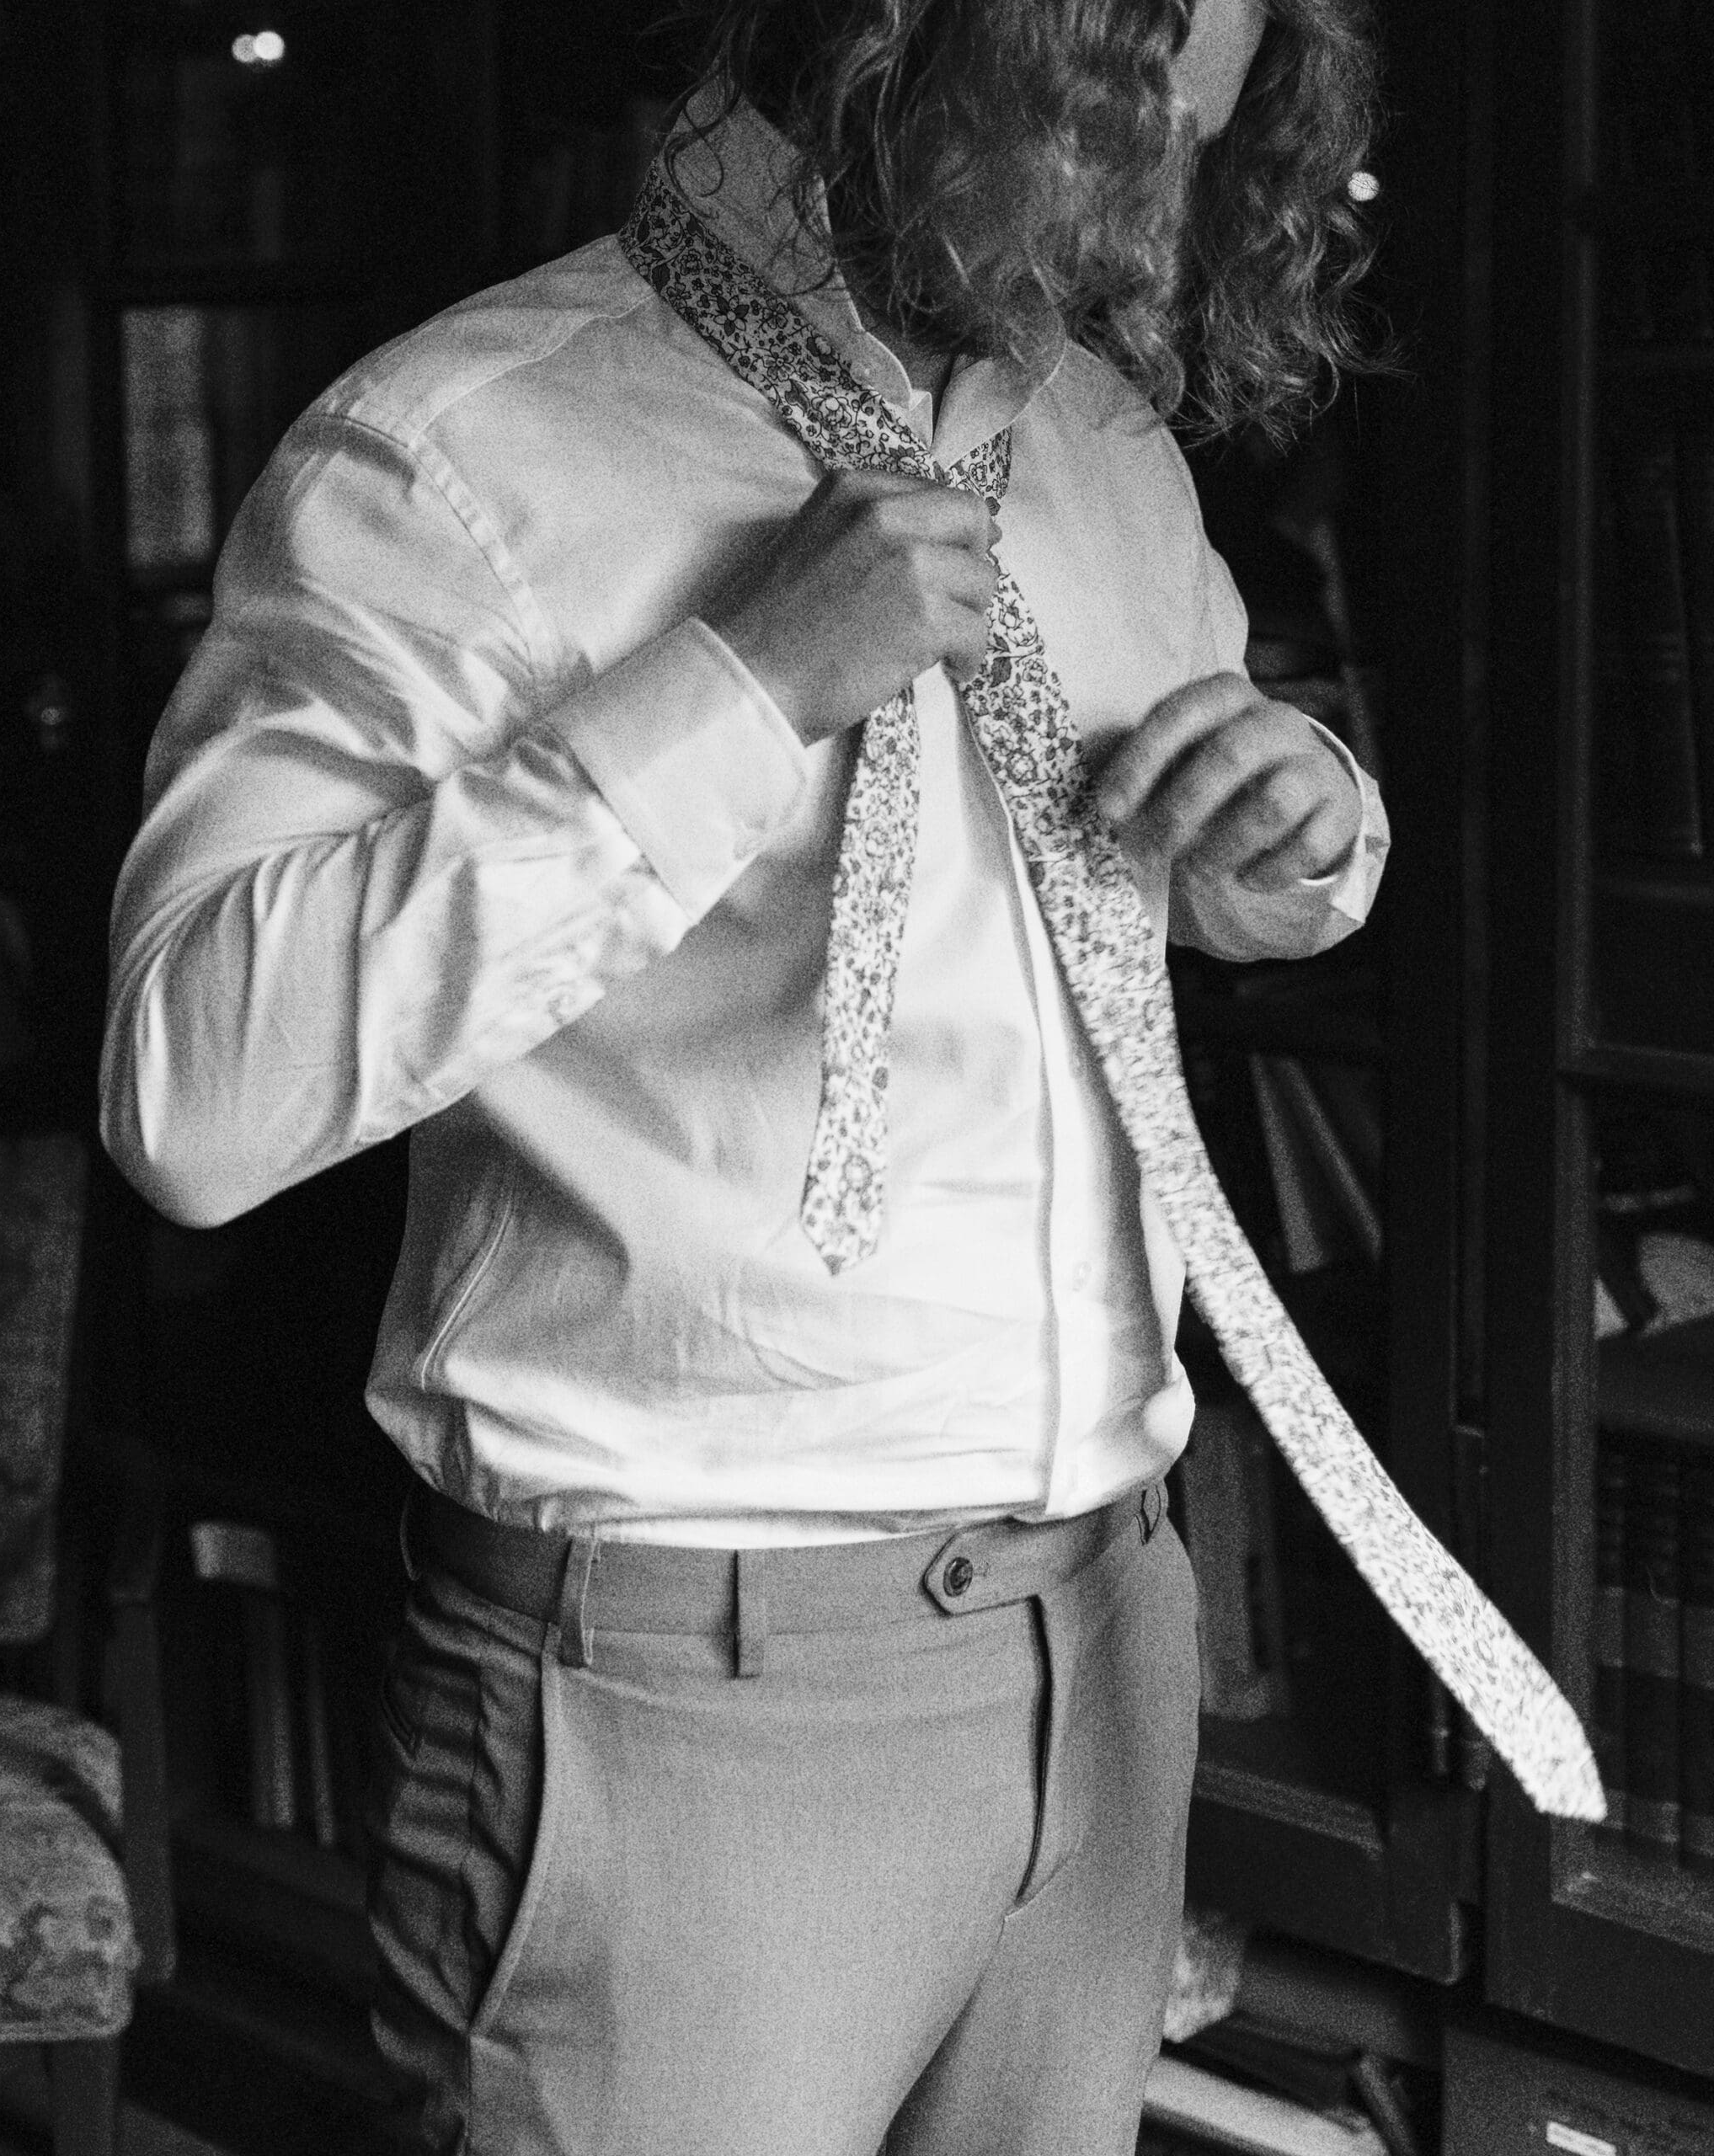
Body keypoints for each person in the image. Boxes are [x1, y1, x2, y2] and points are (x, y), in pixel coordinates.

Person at [99, 0, 1389, 2148]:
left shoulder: (1101, 450)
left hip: (1110, 1633)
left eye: (1198, 138)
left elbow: (1140, 860)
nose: (1155, 208)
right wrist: (737, 686)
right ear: (913, 50)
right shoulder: (453, 450)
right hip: (681, 1703)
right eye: (1111, 126)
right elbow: (186, 1093)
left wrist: (1300, 832)